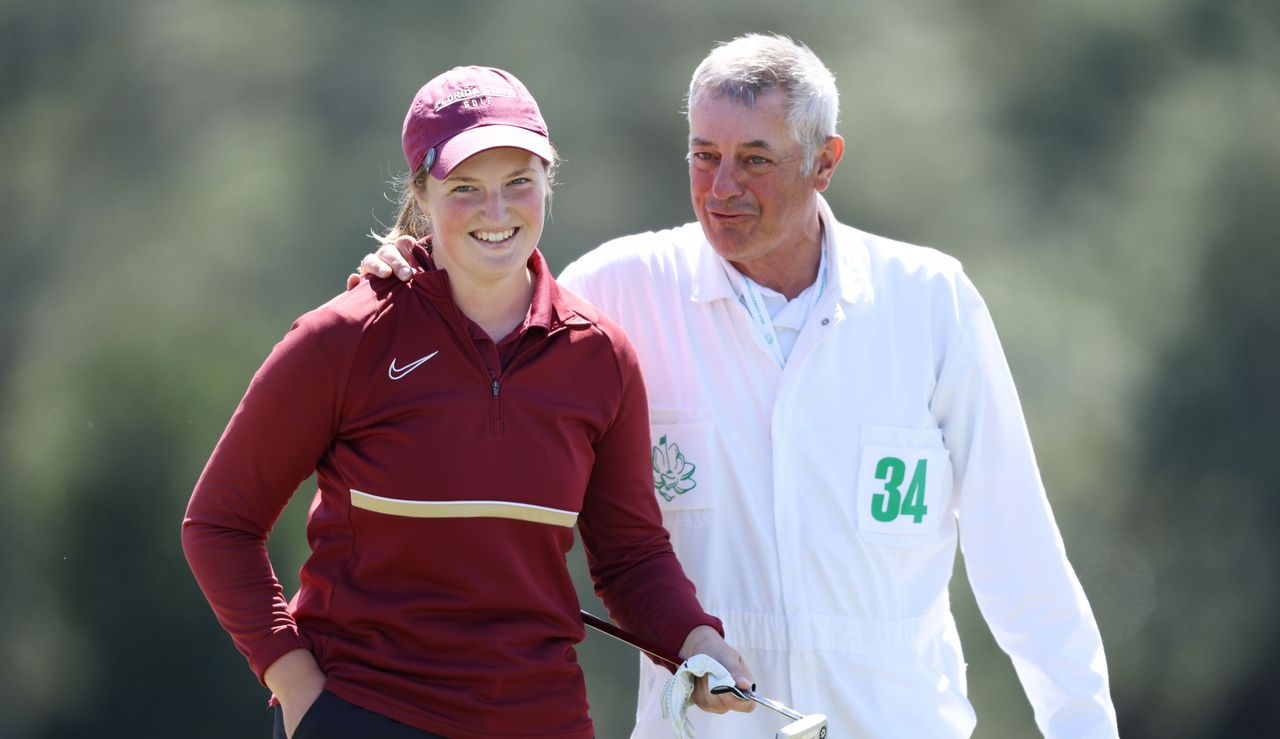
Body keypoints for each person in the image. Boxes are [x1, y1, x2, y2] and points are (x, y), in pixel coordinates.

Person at [356, 35, 1121, 739]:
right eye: (703, 155)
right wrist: (409, 281)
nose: (722, 187)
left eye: (755, 159)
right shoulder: (619, 290)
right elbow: (467, 343)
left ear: (824, 162)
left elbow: (1022, 563)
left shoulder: (930, 301)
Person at [182, 65, 755, 739]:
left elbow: (630, 556)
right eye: (465, 188)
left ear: (548, 182)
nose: (497, 210)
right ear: (422, 194)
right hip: (364, 714)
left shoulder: (600, 357)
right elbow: (219, 523)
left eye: (519, 182)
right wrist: (295, 682)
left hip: (541, 719)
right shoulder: (345, 337)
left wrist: (696, 642)